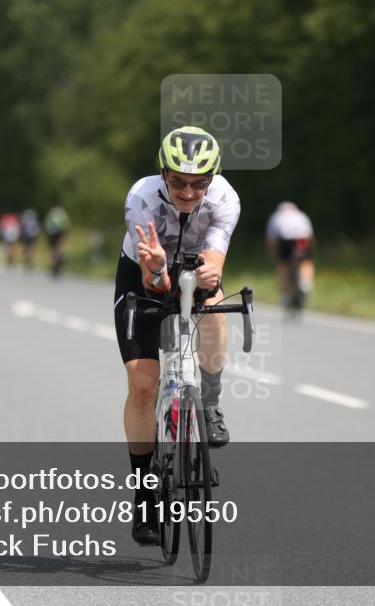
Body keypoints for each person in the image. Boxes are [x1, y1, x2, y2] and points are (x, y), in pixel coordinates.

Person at [112, 126, 240, 545]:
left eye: (198, 183)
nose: (188, 192)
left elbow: (214, 264)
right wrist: (156, 267)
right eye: (179, 181)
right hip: (142, 272)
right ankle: (144, 495)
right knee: (143, 383)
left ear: (212, 178)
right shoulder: (142, 198)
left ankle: (211, 403)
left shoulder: (224, 199)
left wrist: (208, 278)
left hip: (194, 265)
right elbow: (156, 285)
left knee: (215, 305)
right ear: (163, 174)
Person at [265, 201, 316, 311]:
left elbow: (271, 240)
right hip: (302, 240)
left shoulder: (276, 216)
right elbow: (310, 236)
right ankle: (305, 285)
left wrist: (274, 255)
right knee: (305, 262)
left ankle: (286, 293)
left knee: (283, 265)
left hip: (286, 241)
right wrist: (310, 253)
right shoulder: (301, 215)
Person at [44, 205, 70, 278]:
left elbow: (46, 224)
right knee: (59, 248)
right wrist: (65, 235)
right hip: (59, 232)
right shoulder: (62, 213)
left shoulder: (51, 213)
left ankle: (53, 266)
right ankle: (59, 260)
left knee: (52, 250)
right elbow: (66, 225)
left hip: (51, 233)